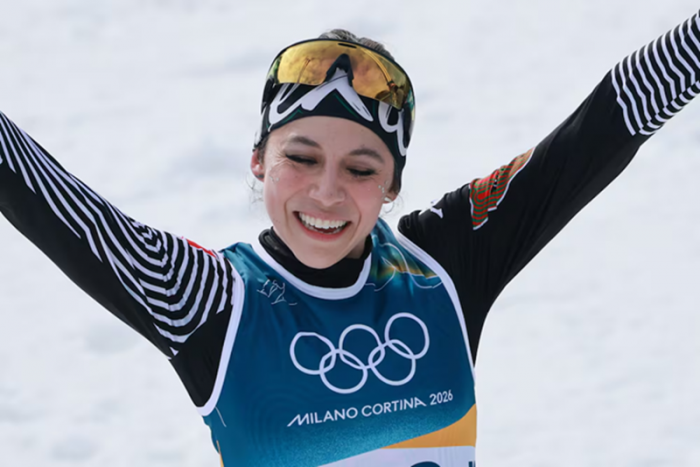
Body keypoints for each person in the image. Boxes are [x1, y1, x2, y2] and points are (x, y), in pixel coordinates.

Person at [1, 8, 699, 465]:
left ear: (393, 184)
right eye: (301, 158)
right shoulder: (211, 299)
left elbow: (603, 125)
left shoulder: (445, 267)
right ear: (258, 161)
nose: (327, 192)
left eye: (362, 168)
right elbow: (39, 192)